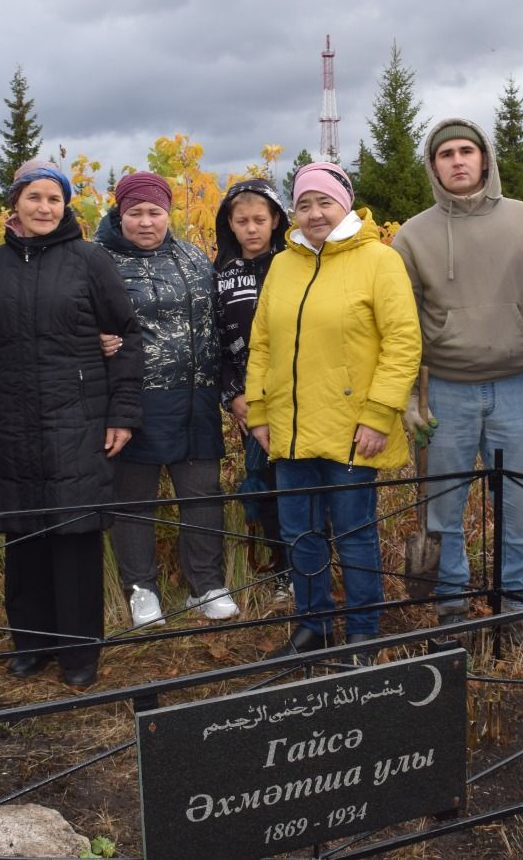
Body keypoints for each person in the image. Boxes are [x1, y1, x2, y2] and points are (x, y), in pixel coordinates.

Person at [391, 117, 523, 650]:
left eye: (466, 150)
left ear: (484, 157)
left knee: (522, 502)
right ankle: (452, 608)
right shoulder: (413, 234)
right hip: (444, 391)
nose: (457, 160)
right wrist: (406, 393)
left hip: (516, 386)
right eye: (445, 153)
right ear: (433, 165)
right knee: (442, 505)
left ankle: (516, 608)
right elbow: (400, 322)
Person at [0, 159, 142, 689]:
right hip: (13, 418)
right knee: (23, 535)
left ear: (66, 205)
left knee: (74, 536)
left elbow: (127, 335)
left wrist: (123, 413)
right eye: (34, 197)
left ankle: (79, 652)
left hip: (77, 416)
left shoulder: (89, 260)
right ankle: (30, 644)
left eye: (54, 198)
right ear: (15, 203)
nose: (44, 207)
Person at [247, 162, 421, 659]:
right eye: (303, 204)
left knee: (353, 533)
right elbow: (261, 343)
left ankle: (364, 629)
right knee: (300, 532)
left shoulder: (379, 261)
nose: (314, 213)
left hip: (352, 429)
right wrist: (258, 410)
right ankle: (314, 623)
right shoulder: (284, 264)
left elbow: (403, 342)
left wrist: (379, 413)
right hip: (291, 427)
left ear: (345, 203)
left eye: (324, 201)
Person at [96, 171, 236, 626]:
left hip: (196, 398)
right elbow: (72, 318)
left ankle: (206, 584)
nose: (145, 222)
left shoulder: (193, 257)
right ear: (120, 213)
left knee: (201, 493)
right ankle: (141, 590)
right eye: (135, 213)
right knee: (134, 499)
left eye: (154, 212)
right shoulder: (97, 262)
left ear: (168, 213)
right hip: (133, 400)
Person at [213, 177, 291, 601]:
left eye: (260, 219)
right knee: (263, 488)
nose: (252, 228)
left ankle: (308, 570)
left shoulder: (294, 263)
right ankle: (280, 572)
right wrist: (234, 398)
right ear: (231, 222)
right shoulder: (221, 275)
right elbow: (217, 347)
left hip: (298, 397)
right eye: (242, 221)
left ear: (276, 219)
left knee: (302, 487)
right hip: (251, 405)